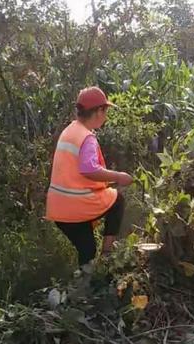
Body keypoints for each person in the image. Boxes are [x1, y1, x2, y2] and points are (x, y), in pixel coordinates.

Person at [45, 86, 133, 273]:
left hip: (58, 206)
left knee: (87, 251)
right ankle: (107, 254)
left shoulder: (70, 130)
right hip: (75, 206)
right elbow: (89, 169)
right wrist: (118, 176)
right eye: (105, 111)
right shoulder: (87, 138)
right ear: (99, 111)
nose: (106, 116)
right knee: (118, 200)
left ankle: (85, 286)